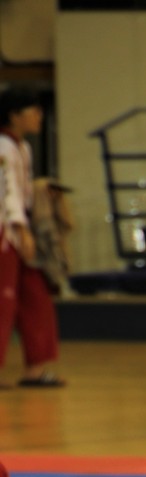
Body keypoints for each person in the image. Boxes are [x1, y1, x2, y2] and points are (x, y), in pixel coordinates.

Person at [0, 86, 65, 388]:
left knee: (36, 296)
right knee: (3, 300)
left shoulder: (22, 148)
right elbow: (6, 192)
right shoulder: (3, 147)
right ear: (14, 115)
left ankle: (35, 370)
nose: (39, 116)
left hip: (20, 230)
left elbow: (22, 190)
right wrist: (22, 229)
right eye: (33, 110)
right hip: (7, 232)